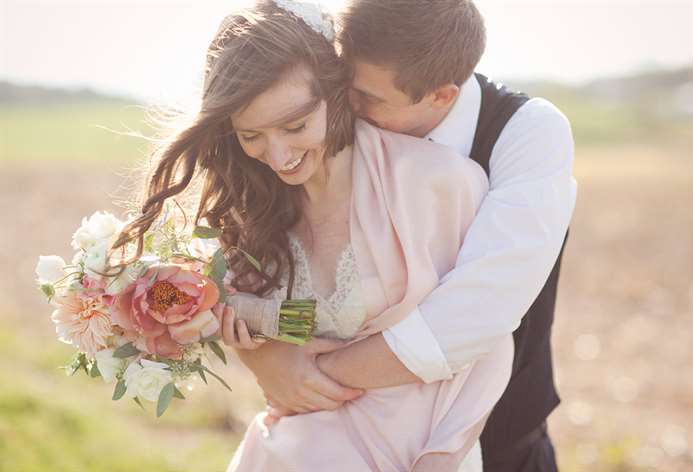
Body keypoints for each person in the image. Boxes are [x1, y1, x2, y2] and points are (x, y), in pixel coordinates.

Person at [114, 1, 514, 471]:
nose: (278, 154)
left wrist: (443, 454)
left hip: (417, 454)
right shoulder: (252, 210)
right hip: (294, 452)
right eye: (251, 135)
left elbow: (484, 336)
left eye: (295, 125)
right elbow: (258, 320)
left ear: (337, 92)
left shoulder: (440, 182)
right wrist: (251, 345)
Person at [241, 1, 577, 471]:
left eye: (370, 98)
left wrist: (313, 374)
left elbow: (479, 309)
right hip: (334, 445)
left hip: (493, 435)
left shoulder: (527, 133)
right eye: (347, 88)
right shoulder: (331, 134)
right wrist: (267, 355)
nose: (351, 108)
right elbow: (284, 267)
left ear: (442, 96)